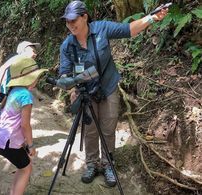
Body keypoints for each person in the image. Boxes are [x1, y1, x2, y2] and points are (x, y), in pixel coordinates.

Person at [59, 0, 168, 187]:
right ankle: (92, 164)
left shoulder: (101, 29)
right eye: (67, 21)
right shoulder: (67, 46)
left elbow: (128, 30)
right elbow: (64, 74)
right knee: (91, 131)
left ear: (85, 17)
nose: (70, 25)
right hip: (86, 93)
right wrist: (71, 87)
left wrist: (151, 18)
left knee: (108, 129)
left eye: (73, 20)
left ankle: (108, 163)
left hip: (108, 87)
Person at [0, 56, 47, 195]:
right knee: (26, 169)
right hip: (8, 141)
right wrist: (31, 145)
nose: (37, 79)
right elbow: (25, 125)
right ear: (29, 78)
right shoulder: (26, 95)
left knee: (22, 167)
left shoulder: (14, 91)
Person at [0, 41, 41, 115]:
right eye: (33, 51)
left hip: (12, 89)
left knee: (9, 110)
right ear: (24, 50)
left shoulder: (27, 63)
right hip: (3, 88)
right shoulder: (18, 58)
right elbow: (3, 68)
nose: (35, 54)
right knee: (4, 109)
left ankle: (4, 121)